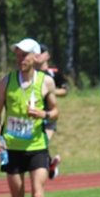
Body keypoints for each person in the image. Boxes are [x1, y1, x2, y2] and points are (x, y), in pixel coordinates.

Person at [0, 37, 59, 197]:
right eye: (18, 54)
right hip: (12, 147)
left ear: (35, 56)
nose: (20, 58)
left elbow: (55, 111)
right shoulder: (6, 82)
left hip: (37, 147)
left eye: (25, 54)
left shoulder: (45, 82)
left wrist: (44, 115)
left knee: (38, 195)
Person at [36, 43, 65, 180]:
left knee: (43, 142)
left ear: (47, 55)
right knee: (38, 146)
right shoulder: (32, 74)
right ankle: (50, 168)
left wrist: (50, 91)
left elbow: (64, 90)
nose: (38, 55)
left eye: (41, 52)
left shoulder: (54, 73)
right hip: (33, 116)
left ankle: (48, 168)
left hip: (49, 115)